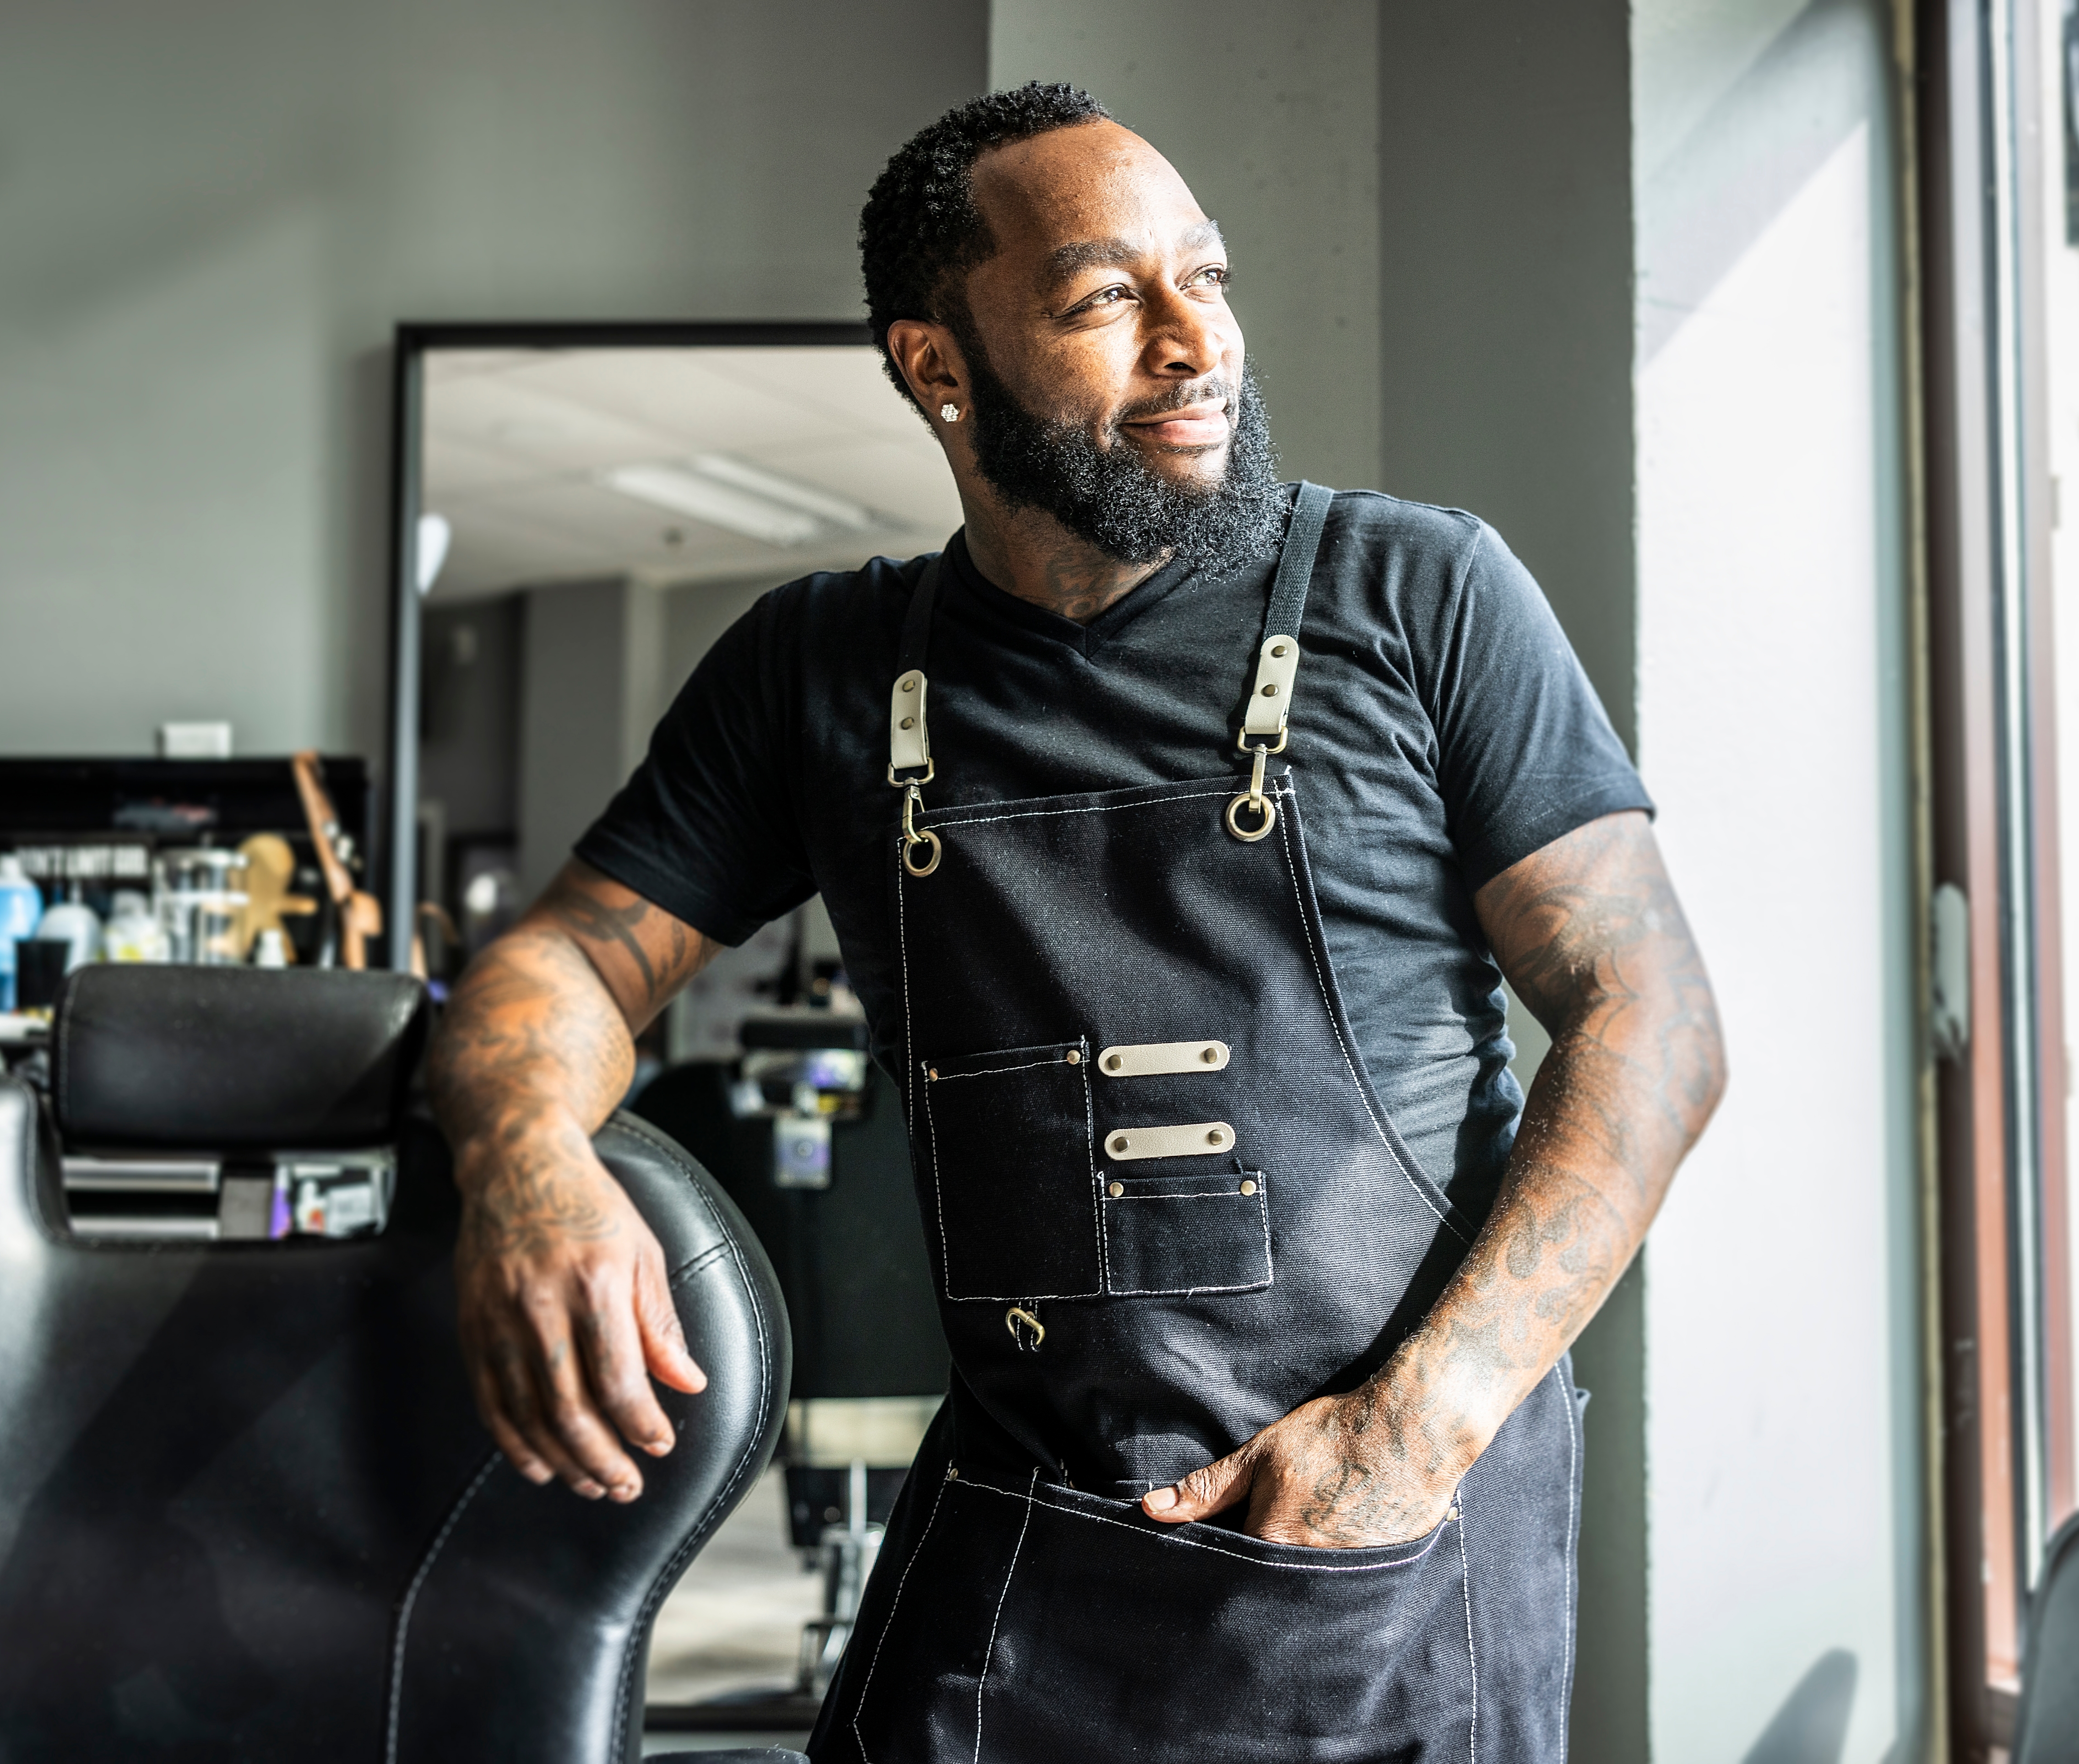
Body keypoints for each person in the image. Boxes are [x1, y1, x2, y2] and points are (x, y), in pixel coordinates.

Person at [429, 81, 1725, 1763]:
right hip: (1024, 1528)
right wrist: (530, 1164)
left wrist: (1417, 1425)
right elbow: (567, 962)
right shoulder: (822, 669)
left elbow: (1652, 1019)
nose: (1197, 343)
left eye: (1211, 277)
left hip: (1391, 1527)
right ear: (936, 366)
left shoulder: (1418, 596)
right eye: (1109, 298)